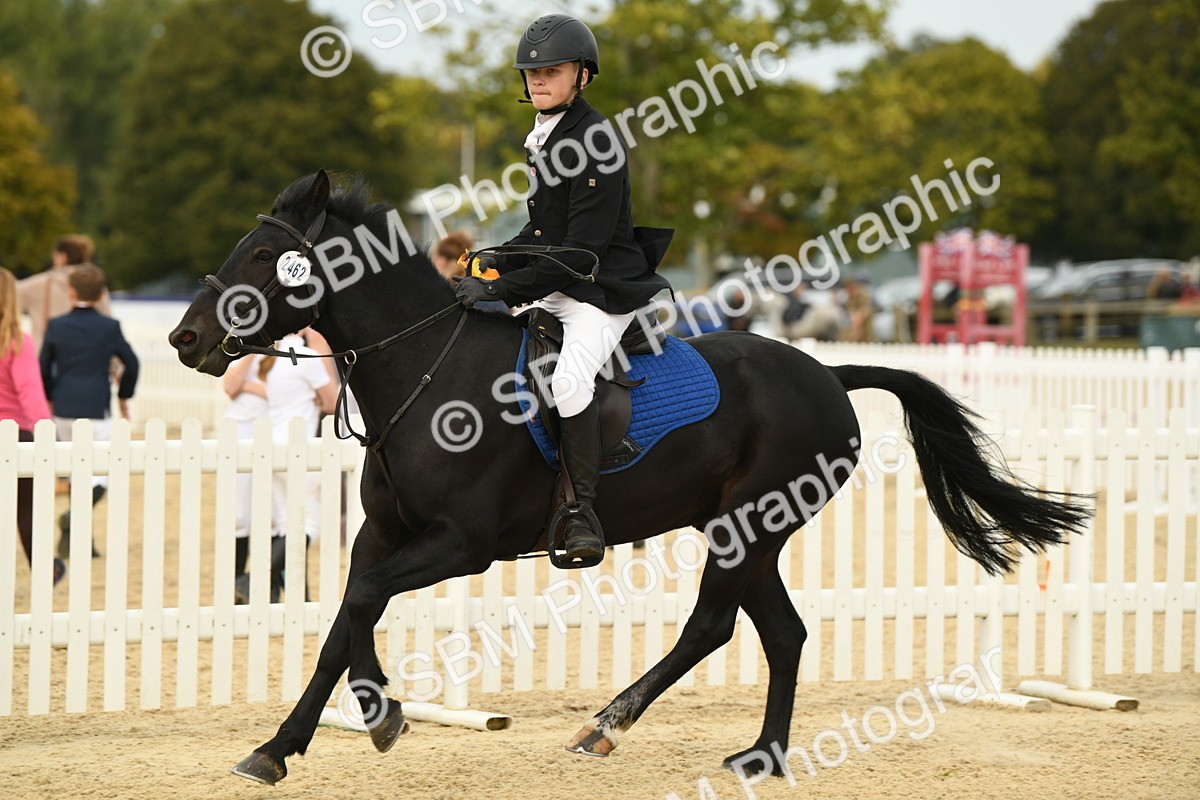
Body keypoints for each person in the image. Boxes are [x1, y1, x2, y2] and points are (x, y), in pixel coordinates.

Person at [454, 14, 673, 565]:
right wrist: (496, 257)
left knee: (571, 382)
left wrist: (504, 289)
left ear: (583, 76)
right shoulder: (547, 136)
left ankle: (583, 513)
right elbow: (544, 232)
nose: (538, 80)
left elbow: (579, 254)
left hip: (603, 292)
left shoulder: (596, 142)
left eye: (551, 71)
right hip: (563, 282)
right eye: (531, 72)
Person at [39, 265, 138, 560]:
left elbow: (43, 366)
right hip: (96, 407)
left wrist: (49, 397)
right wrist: (124, 396)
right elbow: (131, 363)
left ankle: (77, 539)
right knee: (102, 475)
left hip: (64, 408)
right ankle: (73, 520)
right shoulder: (109, 326)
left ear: (71, 291)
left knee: (75, 473)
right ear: (100, 294)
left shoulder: (56, 325)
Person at [235, 329, 338, 603]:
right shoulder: (308, 356)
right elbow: (332, 402)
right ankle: (253, 578)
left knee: (286, 524)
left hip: (273, 444)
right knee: (307, 525)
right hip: (299, 447)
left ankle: (298, 596)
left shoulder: (272, 358)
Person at [0, 267, 64, 585]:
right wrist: (46, 434)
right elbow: (29, 393)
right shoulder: (15, 341)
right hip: (17, 437)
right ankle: (44, 572)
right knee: (26, 511)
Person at [222, 352, 268, 601]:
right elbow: (230, 386)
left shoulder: (294, 349)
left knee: (269, 515)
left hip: (273, 429)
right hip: (240, 432)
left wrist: (248, 387)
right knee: (239, 513)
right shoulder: (249, 350)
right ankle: (236, 581)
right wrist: (253, 352)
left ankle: (262, 583)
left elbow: (286, 393)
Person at [17, 234, 111, 353]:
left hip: (44, 357)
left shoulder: (37, 285)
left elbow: (7, 298)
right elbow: (105, 322)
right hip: (83, 357)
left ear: (62, 256)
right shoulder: (95, 285)